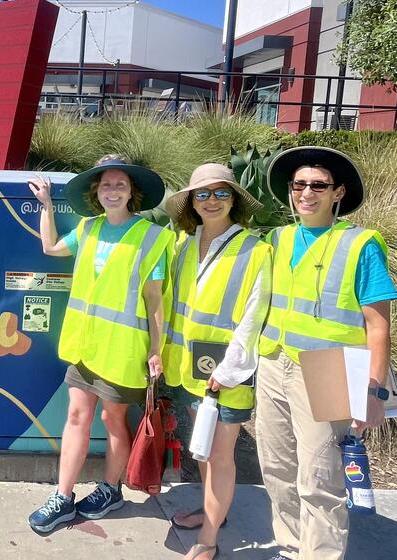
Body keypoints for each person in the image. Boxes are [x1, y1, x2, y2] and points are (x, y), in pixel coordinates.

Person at [257, 147, 397, 560]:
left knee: (319, 477)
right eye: (299, 185)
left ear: (338, 192)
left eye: (318, 185)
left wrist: (373, 393)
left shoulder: (361, 244)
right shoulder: (277, 238)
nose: (306, 193)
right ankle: (290, 548)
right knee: (278, 468)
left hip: (331, 367)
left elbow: (379, 326)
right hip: (273, 360)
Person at [26, 154, 174, 533]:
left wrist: (157, 350)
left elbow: (155, 301)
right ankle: (63, 496)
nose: (112, 190)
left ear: (132, 193)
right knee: (76, 416)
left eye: (119, 184)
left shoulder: (152, 237)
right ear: (97, 192)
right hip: (85, 347)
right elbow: (52, 248)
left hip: (123, 349)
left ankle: (111, 488)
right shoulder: (88, 229)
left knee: (112, 420)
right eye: (105, 184)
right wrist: (45, 206)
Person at [161, 164, 273, 560]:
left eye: (221, 193)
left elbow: (253, 317)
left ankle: (209, 540)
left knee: (221, 455)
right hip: (188, 368)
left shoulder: (255, 250)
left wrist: (228, 372)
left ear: (235, 199)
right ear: (191, 202)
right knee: (204, 450)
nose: (211, 201)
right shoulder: (183, 245)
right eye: (202, 194)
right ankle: (214, 513)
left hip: (228, 372)